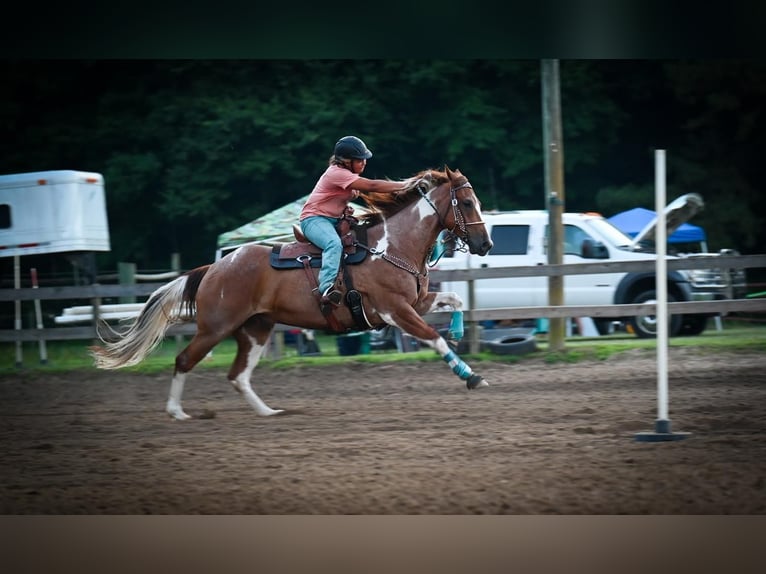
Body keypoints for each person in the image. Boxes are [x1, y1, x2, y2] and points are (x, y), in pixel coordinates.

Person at [300, 135, 405, 306]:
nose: (364, 163)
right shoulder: (337, 173)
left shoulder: (346, 173)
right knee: (333, 244)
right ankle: (325, 289)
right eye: (360, 160)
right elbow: (372, 187)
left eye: (364, 159)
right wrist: (406, 185)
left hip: (331, 221)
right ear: (346, 161)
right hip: (313, 220)